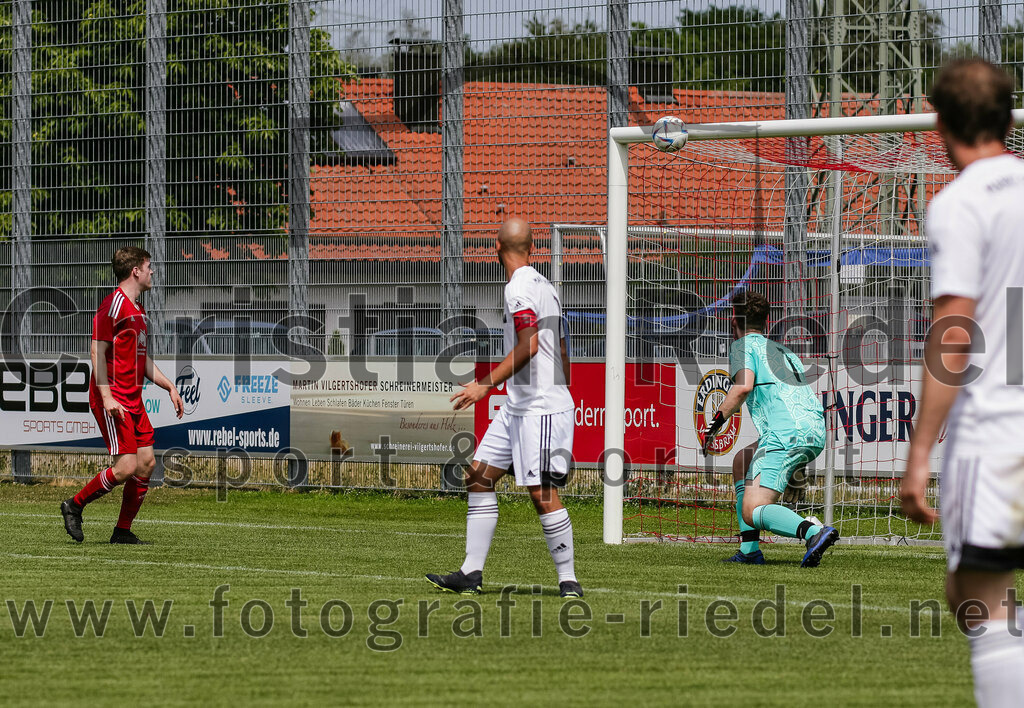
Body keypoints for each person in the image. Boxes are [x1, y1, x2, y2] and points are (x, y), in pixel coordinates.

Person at [901, 57, 1024, 708]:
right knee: (975, 595)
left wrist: (920, 452)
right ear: (1007, 117)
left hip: (1000, 434)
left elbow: (955, 331)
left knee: (978, 598)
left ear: (941, 124)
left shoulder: (960, 204)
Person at [426, 218, 582, 597]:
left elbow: (529, 345)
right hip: (521, 405)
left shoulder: (518, 288)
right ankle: (470, 572)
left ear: (497, 249)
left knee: (541, 492)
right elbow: (560, 347)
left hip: (537, 408)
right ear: (532, 249)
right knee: (478, 475)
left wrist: (484, 385)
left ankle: (568, 580)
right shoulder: (546, 284)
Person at [60, 246, 183, 544]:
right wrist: (106, 398)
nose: (152, 271)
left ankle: (122, 531)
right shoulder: (113, 306)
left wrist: (168, 385)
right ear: (136, 271)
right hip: (112, 397)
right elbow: (96, 352)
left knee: (147, 463)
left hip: (132, 398)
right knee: (127, 466)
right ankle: (74, 505)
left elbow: (142, 361)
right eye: (149, 266)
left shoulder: (138, 310)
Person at [706, 289, 837, 567]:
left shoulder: (742, 347)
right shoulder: (784, 351)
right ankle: (750, 551)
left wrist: (716, 422)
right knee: (742, 461)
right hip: (812, 429)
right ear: (766, 321)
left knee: (752, 510)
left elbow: (742, 387)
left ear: (733, 321)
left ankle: (813, 532)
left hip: (785, 433)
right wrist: (796, 462)